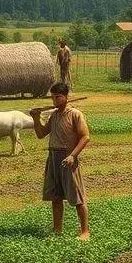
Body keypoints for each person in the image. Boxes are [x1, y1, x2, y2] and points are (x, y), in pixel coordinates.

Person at [31, 82, 91, 240]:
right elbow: (41, 134)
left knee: (77, 197)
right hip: (53, 157)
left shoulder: (75, 114)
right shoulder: (54, 115)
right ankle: (57, 229)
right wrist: (36, 118)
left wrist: (73, 156)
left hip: (68, 158)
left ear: (66, 97)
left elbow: (85, 137)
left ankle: (85, 232)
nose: (54, 101)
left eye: (58, 97)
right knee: (55, 196)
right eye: (52, 98)